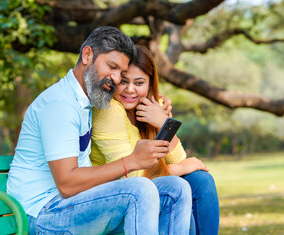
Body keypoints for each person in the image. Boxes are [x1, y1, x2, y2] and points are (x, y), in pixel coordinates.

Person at [7, 26, 193, 235]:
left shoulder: (85, 101)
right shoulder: (60, 104)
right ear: (87, 55)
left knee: (176, 189)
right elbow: (67, 185)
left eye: (120, 73)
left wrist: (159, 108)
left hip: (72, 204)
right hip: (42, 215)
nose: (115, 78)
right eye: (111, 66)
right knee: (140, 190)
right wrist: (131, 161)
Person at [90, 45, 220, 234]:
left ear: (150, 84)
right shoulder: (108, 109)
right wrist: (179, 169)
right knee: (183, 192)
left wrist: (163, 122)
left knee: (201, 180)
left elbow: (178, 158)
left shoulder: (150, 107)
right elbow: (132, 176)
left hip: (146, 186)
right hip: (112, 193)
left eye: (139, 82)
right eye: (124, 82)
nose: (130, 90)